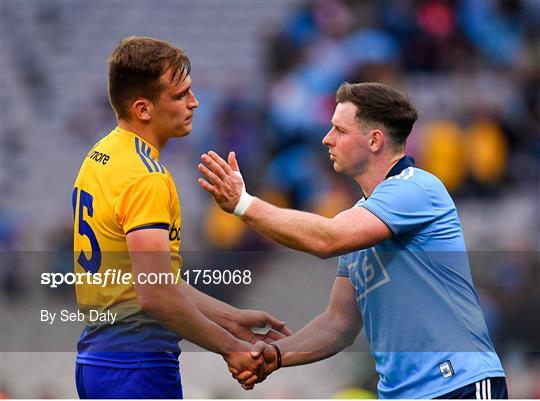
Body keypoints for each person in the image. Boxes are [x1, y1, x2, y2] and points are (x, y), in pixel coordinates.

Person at [198, 82, 508, 399]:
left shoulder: (416, 189)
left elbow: (328, 239)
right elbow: (339, 323)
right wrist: (276, 355)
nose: (326, 138)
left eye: (339, 130)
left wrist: (243, 204)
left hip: (459, 383)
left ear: (374, 140)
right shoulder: (360, 217)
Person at [72, 36, 290, 399]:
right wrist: (230, 347)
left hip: (99, 360)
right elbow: (155, 294)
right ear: (144, 108)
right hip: (137, 367)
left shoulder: (101, 155)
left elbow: (153, 280)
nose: (194, 102)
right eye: (179, 95)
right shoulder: (146, 176)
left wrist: (230, 319)